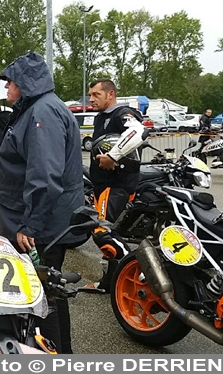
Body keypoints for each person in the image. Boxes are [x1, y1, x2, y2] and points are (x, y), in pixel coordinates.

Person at [0, 51, 85, 354]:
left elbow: (45, 175)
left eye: (9, 83)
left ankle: (57, 354)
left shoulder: (42, 112)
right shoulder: (38, 108)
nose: (6, 88)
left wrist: (30, 225)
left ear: (24, 82)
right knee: (45, 292)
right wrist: (5, 166)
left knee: (45, 295)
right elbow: (33, 159)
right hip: (40, 222)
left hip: (42, 227)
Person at [83, 78, 147, 294]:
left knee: (102, 232)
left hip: (117, 184)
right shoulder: (102, 117)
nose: (91, 99)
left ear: (110, 94)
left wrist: (113, 155)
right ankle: (110, 282)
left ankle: (141, 276)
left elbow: (138, 131)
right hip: (103, 185)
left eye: (96, 95)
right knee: (110, 232)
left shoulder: (122, 113)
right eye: (90, 95)